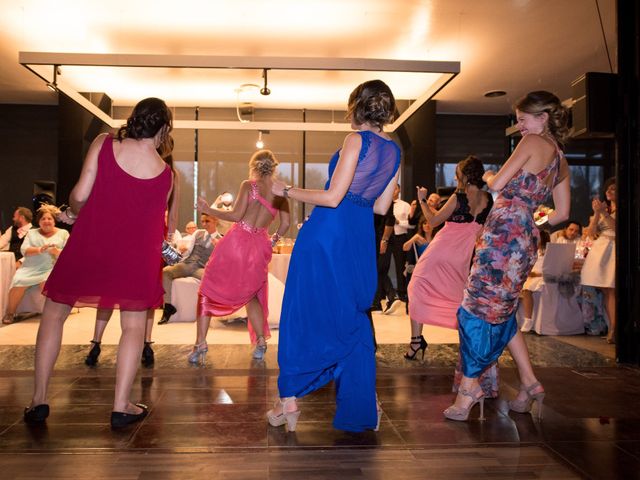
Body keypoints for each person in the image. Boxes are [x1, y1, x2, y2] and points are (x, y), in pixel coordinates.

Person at [24, 97, 175, 428]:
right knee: (134, 326)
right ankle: (121, 405)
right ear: (164, 129)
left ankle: (39, 401)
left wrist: (73, 212)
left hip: (90, 245)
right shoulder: (167, 175)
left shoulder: (105, 142)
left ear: (135, 119)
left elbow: (80, 193)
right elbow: (150, 221)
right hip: (135, 259)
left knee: (54, 314)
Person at [267, 79, 401, 433]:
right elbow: (383, 205)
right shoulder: (394, 149)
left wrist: (287, 190)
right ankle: (361, 410)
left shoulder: (355, 140)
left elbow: (332, 197)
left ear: (356, 106)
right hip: (358, 237)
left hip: (326, 234)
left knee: (303, 311)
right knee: (352, 316)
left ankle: (289, 401)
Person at [446, 91, 570, 422]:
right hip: (525, 236)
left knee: (476, 309)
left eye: (524, 117)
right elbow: (562, 214)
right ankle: (529, 383)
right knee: (502, 311)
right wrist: (529, 217)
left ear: (543, 118)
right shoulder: (561, 158)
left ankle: (469, 388)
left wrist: (488, 178)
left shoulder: (531, 142)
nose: (520, 124)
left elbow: (498, 182)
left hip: (503, 234)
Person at [192, 150, 290, 363]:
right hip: (260, 246)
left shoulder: (249, 185)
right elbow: (285, 224)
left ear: (254, 166)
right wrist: (272, 241)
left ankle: (200, 344)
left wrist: (209, 209)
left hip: (236, 242)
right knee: (252, 295)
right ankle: (261, 341)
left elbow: (236, 215)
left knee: (207, 288)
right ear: (273, 167)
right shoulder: (280, 192)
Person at [406, 156, 493, 365]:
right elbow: (477, 228)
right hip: (462, 256)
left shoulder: (459, 196)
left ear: (463, 175)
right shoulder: (488, 199)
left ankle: (416, 341)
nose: (455, 177)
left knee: (416, 287)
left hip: (440, 251)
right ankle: (467, 342)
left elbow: (434, 221)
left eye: (457, 173)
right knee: (458, 298)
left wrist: (422, 200)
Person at [2, 205, 68, 325]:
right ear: (39, 221)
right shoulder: (32, 233)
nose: (46, 221)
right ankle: (10, 313)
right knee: (18, 281)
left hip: (52, 267)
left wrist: (57, 252)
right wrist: (40, 249)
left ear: (54, 221)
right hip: (31, 267)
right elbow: (24, 250)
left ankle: (53, 315)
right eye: (43, 219)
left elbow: (70, 253)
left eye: (49, 219)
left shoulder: (63, 233)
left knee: (47, 282)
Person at [157, 213, 221, 325]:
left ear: (215, 221)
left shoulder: (221, 240)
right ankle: (167, 307)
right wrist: (180, 254)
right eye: (202, 221)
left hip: (202, 268)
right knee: (165, 272)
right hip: (188, 263)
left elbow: (220, 261)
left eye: (207, 221)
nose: (204, 224)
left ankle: (206, 312)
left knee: (210, 280)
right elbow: (188, 251)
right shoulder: (198, 233)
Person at [581, 177, 616, 343]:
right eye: (608, 189)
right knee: (605, 289)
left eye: (613, 189)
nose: (609, 192)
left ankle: (614, 329)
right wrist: (597, 213)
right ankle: (612, 327)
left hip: (614, 247)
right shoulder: (605, 208)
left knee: (611, 289)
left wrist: (603, 212)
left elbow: (617, 228)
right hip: (601, 247)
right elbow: (591, 232)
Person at [519, 230, 551, 333]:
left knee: (527, 289)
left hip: (541, 276)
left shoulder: (548, 251)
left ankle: (528, 319)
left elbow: (550, 266)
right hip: (530, 275)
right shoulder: (530, 249)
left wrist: (537, 274)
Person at [401, 215, 432, 315]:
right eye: (424, 223)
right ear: (421, 226)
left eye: (428, 223)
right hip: (421, 270)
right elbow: (405, 247)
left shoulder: (437, 238)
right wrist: (414, 238)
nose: (427, 225)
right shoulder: (419, 239)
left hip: (433, 270)